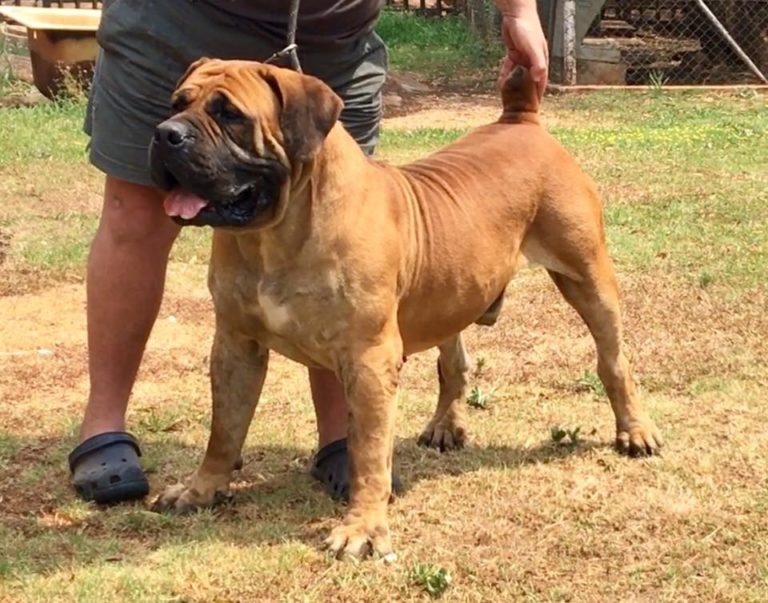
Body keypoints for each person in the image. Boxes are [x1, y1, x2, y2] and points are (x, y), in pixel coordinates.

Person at [68, 0, 549, 504]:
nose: (176, 128)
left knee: (339, 234)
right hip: (179, 14)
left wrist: (518, 9)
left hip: (331, 29)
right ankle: (110, 426)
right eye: (179, 108)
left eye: (225, 116)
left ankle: (342, 443)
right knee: (135, 214)